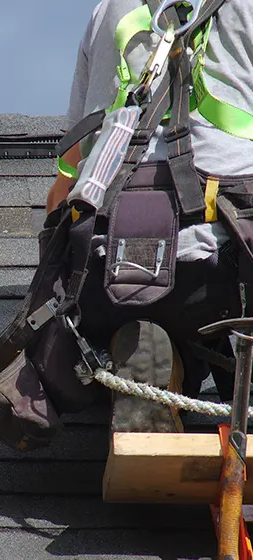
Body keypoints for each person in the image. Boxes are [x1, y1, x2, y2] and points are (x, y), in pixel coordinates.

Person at [46, 0, 253, 433]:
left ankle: (148, 347)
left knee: (152, 310)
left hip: (105, 270)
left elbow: (64, 181)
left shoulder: (108, 11)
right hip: (228, 264)